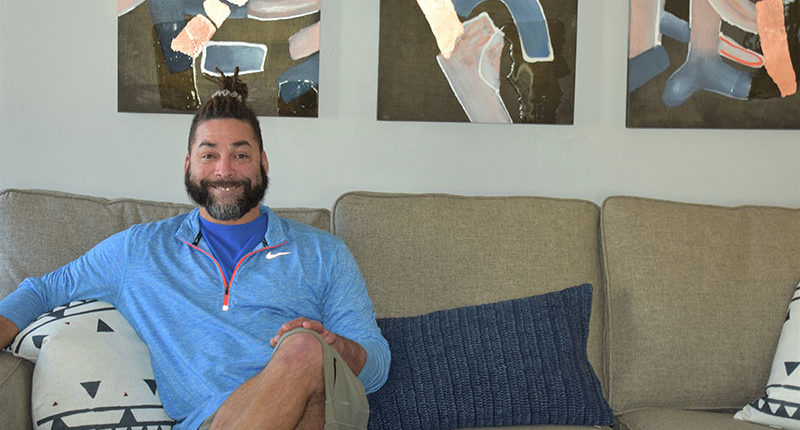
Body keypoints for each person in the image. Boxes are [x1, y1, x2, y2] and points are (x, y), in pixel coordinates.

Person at [0, 69, 390, 430]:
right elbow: (43, 290)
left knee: (306, 349)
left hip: (324, 408)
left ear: (263, 163)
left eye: (240, 154)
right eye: (209, 155)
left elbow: (377, 366)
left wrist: (336, 349)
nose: (225, 170)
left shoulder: (325, 253)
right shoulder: (141, 250)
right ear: (189, 165)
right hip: (210, 420)